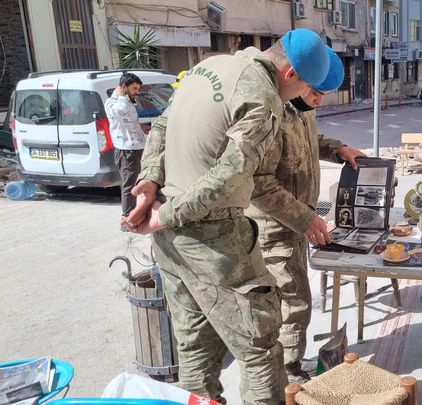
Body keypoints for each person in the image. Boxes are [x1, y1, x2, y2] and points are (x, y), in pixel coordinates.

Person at [123, 28, 330, 404]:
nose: (303, 98)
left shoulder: (209, 66)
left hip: (170, 243)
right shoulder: (263, 99)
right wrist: (166, 214)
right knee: (262, 352)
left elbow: (162, 127)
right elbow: (229, 177)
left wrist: (149, 181)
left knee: (196, 352)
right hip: (213, 241)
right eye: (306, 88)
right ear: (290, 74)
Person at [246, 46, 366, 384]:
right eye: (314, 92)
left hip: (296, 225)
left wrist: (338, 149)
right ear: (296, 79)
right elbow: (259, 182)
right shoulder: (269, 113)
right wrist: (305, 218)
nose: (318, 101)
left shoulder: (301, 109)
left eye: (324, 95)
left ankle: (288, 362)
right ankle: (286, 373)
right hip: (273, 229)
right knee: (292, 303)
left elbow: (312, 139)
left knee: (294, 301)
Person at [104, 73, 146, 230]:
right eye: (134, 88)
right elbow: (121, 112)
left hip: (137, 146)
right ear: (123, 87)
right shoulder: (113, 103)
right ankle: (126, 219)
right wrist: (121, 96)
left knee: (139, 181)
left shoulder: (128, 101)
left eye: (138, 88)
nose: (137, 91)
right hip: (126, 150)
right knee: (129, 184)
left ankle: (137, 214)